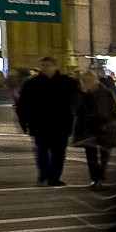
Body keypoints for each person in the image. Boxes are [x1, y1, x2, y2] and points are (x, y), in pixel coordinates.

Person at [15, 57, 80, 186]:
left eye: (48, 65)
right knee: (42, 151)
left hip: (61, 124)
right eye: (43, 65)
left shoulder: (67, 82)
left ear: (55, 66)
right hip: (39, 124)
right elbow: (22, 105)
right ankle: (44, 173)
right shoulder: (31, 84)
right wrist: (24, 122)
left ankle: (54, 177)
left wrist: (74, 116)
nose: (45, 68)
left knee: (58, 153)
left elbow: (78, 99)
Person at [73, 68, 116, 189]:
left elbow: (115, 111)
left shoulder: (106, 93)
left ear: (95, 81)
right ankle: (95, 177)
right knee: (90, 153)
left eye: (89, 82)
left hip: (106, 126)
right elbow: (74, 109)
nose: (88, 85)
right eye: (85, 82)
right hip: (88, 127)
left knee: (105, 152)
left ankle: (101, 175)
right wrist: (81, 94)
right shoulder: (80, 94)